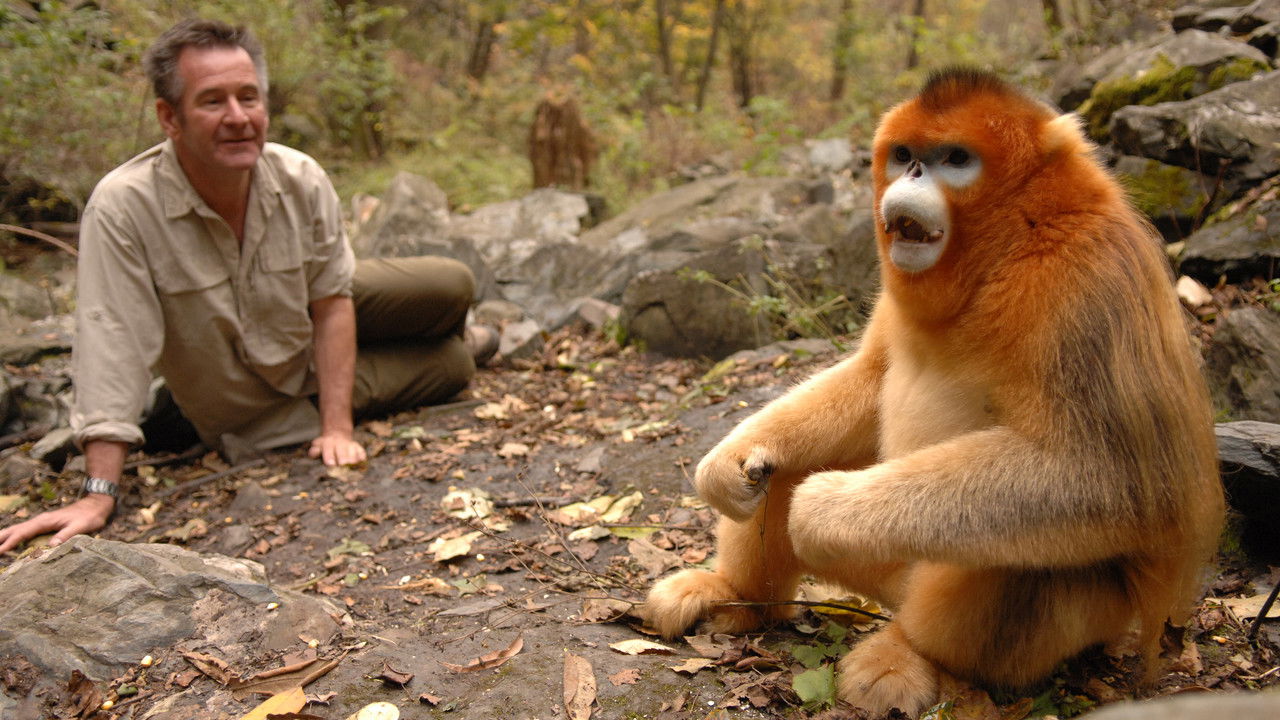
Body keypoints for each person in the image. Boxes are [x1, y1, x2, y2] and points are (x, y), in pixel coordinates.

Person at [0, 18, 498, 554]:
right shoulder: (123, 207)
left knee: (452, 283)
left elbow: (332, 302)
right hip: (255, 394)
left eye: (248, 98)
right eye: (212, 102)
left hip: (302, 319)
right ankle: (465, 346)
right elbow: (111, 339)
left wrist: (338, 428)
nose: (238, 118)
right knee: (452, 367)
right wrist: (98, 493)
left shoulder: (299, 176)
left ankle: (459, 332)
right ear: (170, 117)